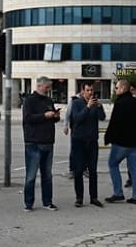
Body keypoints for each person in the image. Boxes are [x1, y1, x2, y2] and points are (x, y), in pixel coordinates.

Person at [104, 79, 136, 205]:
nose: (115, 90)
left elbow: (115, 123)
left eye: (116, 88)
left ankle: (118, 193)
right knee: (135, 168)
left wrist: (108, 137)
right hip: (135, 141)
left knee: (113, 164)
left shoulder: (121, 102)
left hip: (121, 141)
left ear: (122, 88)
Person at [22, 77, 60, 211]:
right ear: (40, 86)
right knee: (31, 175)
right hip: (34, 141)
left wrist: (55, 116)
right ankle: (28, 203)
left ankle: (47, 201)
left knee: (47, 175)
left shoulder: (49, 100)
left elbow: (52, 117)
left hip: (48, 141)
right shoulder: (29, 100)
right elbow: (27, 118)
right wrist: (44, 116)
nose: (49, 90)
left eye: (49, 87)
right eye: (47, 87)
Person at [69, 83, 105, 207]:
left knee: (93, 170)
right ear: (83, 91)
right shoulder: (76, 103)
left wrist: (99, 107)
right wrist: (87, 107)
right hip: (79, 140)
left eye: (92, 90)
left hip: (92, 141)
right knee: (78, 170)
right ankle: (79, 197)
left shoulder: (95, 103)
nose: (90, 93)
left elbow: (102, 117)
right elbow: (77, 118)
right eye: (88, 90)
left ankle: (93, 197)